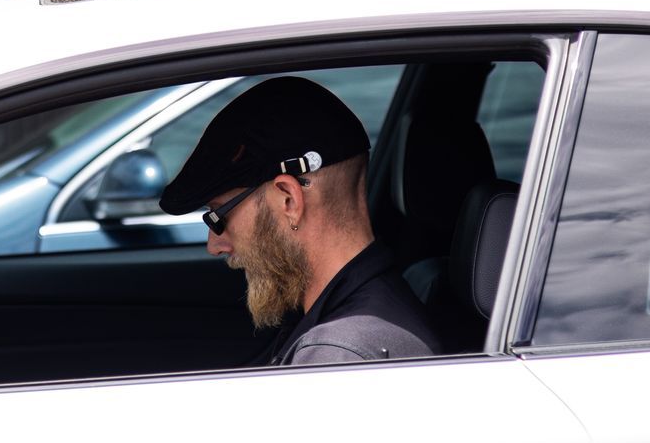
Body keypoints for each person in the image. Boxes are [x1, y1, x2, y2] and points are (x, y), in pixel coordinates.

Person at [157, 75, 440, 366]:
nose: (214, 245)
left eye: (218, 216)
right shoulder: (355, 316)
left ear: (289, 199)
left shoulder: (340, 355)